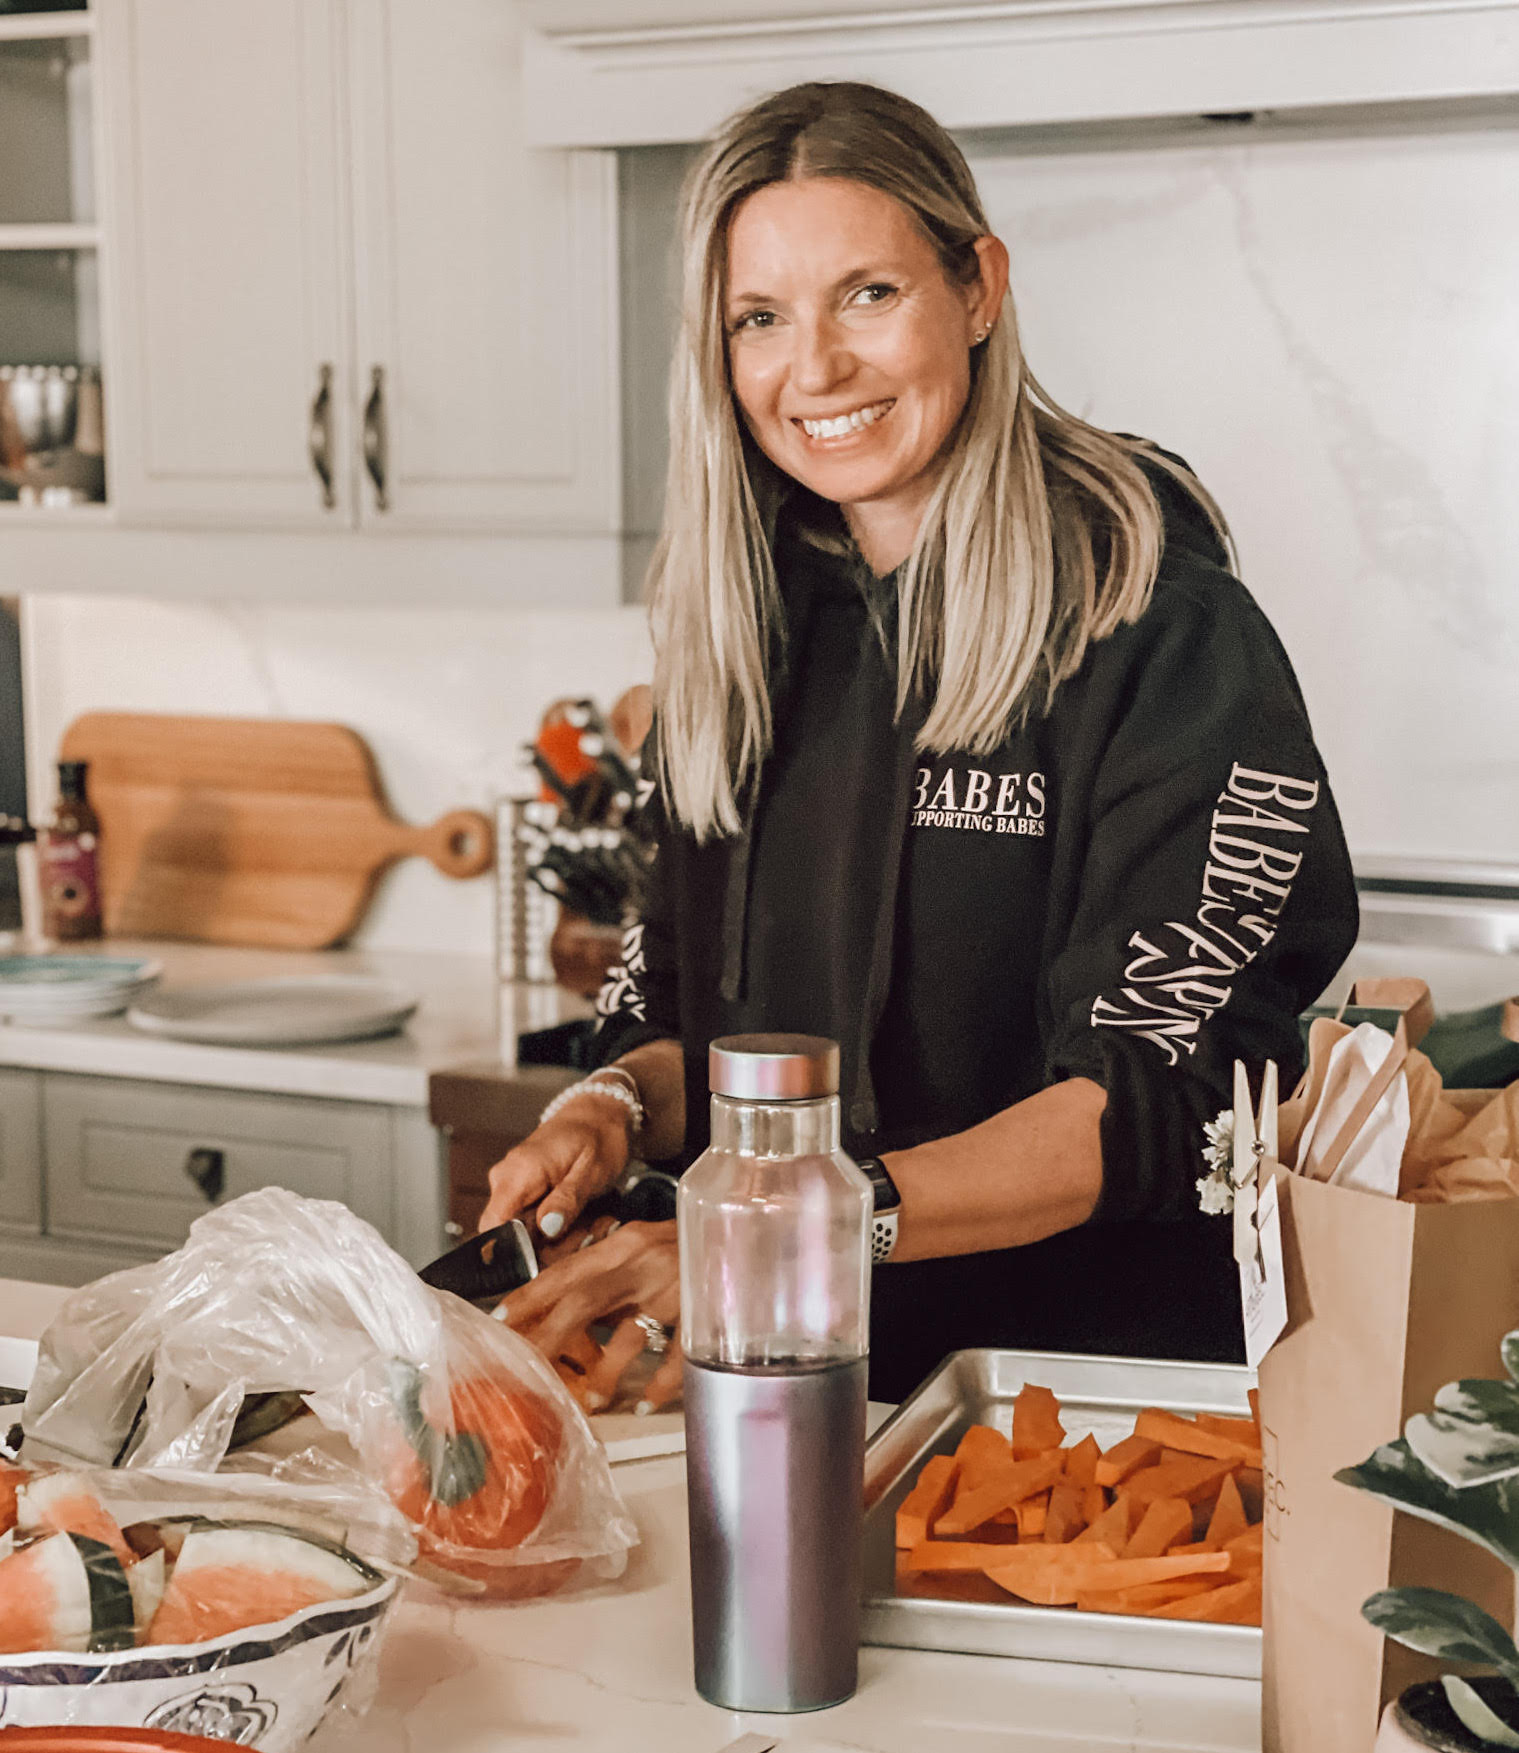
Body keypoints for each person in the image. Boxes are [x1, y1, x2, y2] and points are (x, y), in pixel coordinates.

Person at [481, 80, 1359, 1406]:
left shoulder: (1160, 631)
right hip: (777, 1387)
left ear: (979, 289)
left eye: (868, 295)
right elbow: (689, 1032)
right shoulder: (742, 628)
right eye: (760, 318)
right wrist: (608, 1106)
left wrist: (781, 1238)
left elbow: (1146, 1104)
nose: (814, 368)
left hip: (1074, 1425)